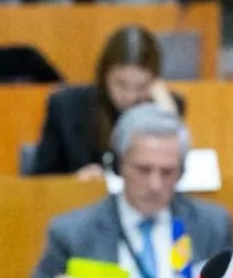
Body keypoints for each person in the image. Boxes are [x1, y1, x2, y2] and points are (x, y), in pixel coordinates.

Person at [28, 105, 233, 278]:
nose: (155, 185)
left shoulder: (212, 226)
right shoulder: (73, 233)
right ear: (118, 166)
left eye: (167, 172)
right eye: (143, 170)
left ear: (182, 171)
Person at [27, 24, 183, 180]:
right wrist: (73, 183)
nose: (130, 96)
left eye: (141, 86)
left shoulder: (165, 106)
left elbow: (177, 173)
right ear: (104, 75)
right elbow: (40, 182)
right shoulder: (66, 107)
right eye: (121, 84)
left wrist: (167, 113)